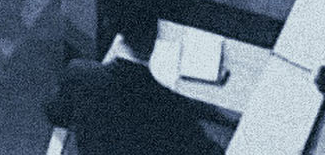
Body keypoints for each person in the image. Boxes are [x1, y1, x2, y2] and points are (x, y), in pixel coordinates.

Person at [42, 17, 223, 155]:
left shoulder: (79, 72)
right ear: (154, 42)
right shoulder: (170, 105)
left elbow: (55, 113)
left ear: (120, 36)